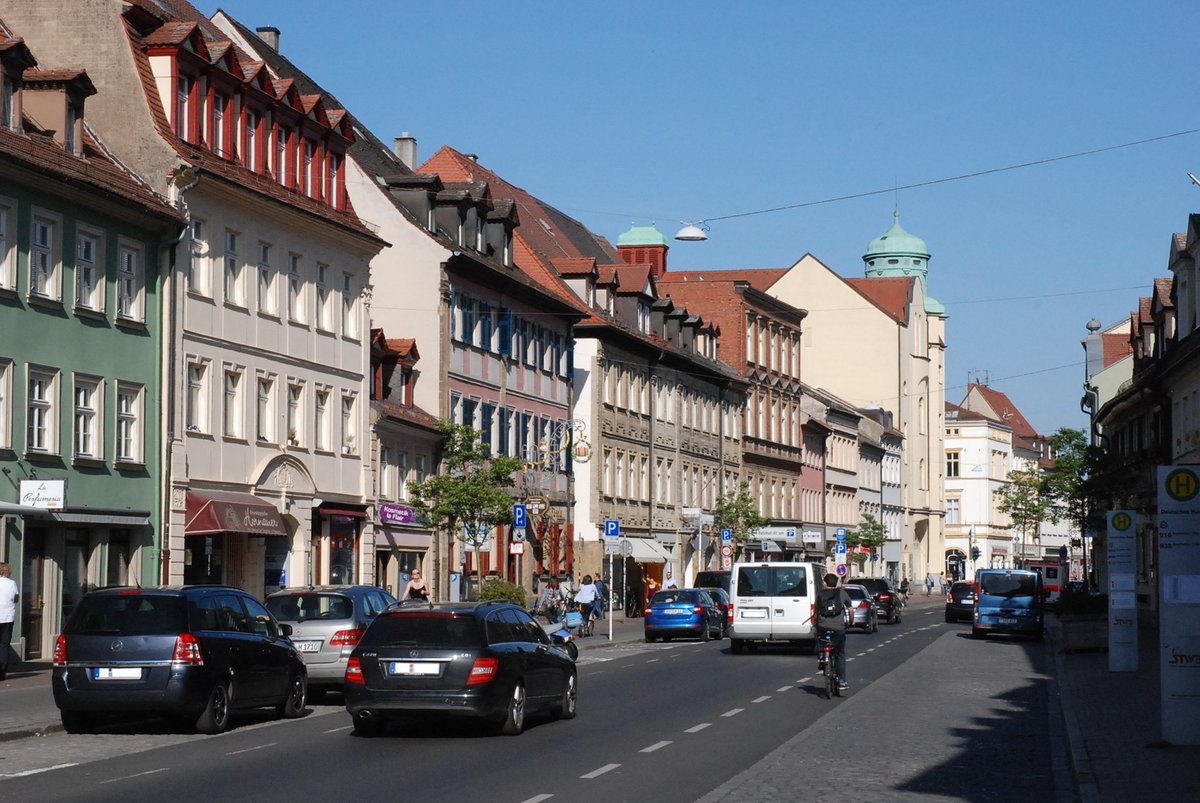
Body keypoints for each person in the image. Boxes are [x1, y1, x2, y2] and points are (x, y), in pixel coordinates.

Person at [813, 573, 852, 691]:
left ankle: (821, 656)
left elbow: (815, 610)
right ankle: (841, 681)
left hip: (823, 626)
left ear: (825, 583)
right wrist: (851, 621)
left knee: (820, 639)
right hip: (838, 628)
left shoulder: (820, 594)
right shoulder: (842, 593)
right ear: (836, 583)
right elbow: (850, 609)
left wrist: (816, 622)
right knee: (840, 653)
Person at [0, 563, 18, 682]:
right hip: (7, 618)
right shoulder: (12, 584)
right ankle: (1, 673)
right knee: (4, 645)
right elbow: (16, 599)